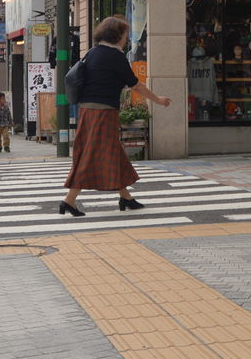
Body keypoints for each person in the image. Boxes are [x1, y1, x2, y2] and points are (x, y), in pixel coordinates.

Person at [60, 16, 172, 217]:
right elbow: (135, 85)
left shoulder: (92, 53)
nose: (126, 38)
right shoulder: (115, 57)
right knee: (91, 153)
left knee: (112, 151)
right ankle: (69, 199)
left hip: (87, 110)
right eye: (125, 34)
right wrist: (157, 99)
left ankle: (125, 197)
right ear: (117, 35)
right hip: (103, 112)